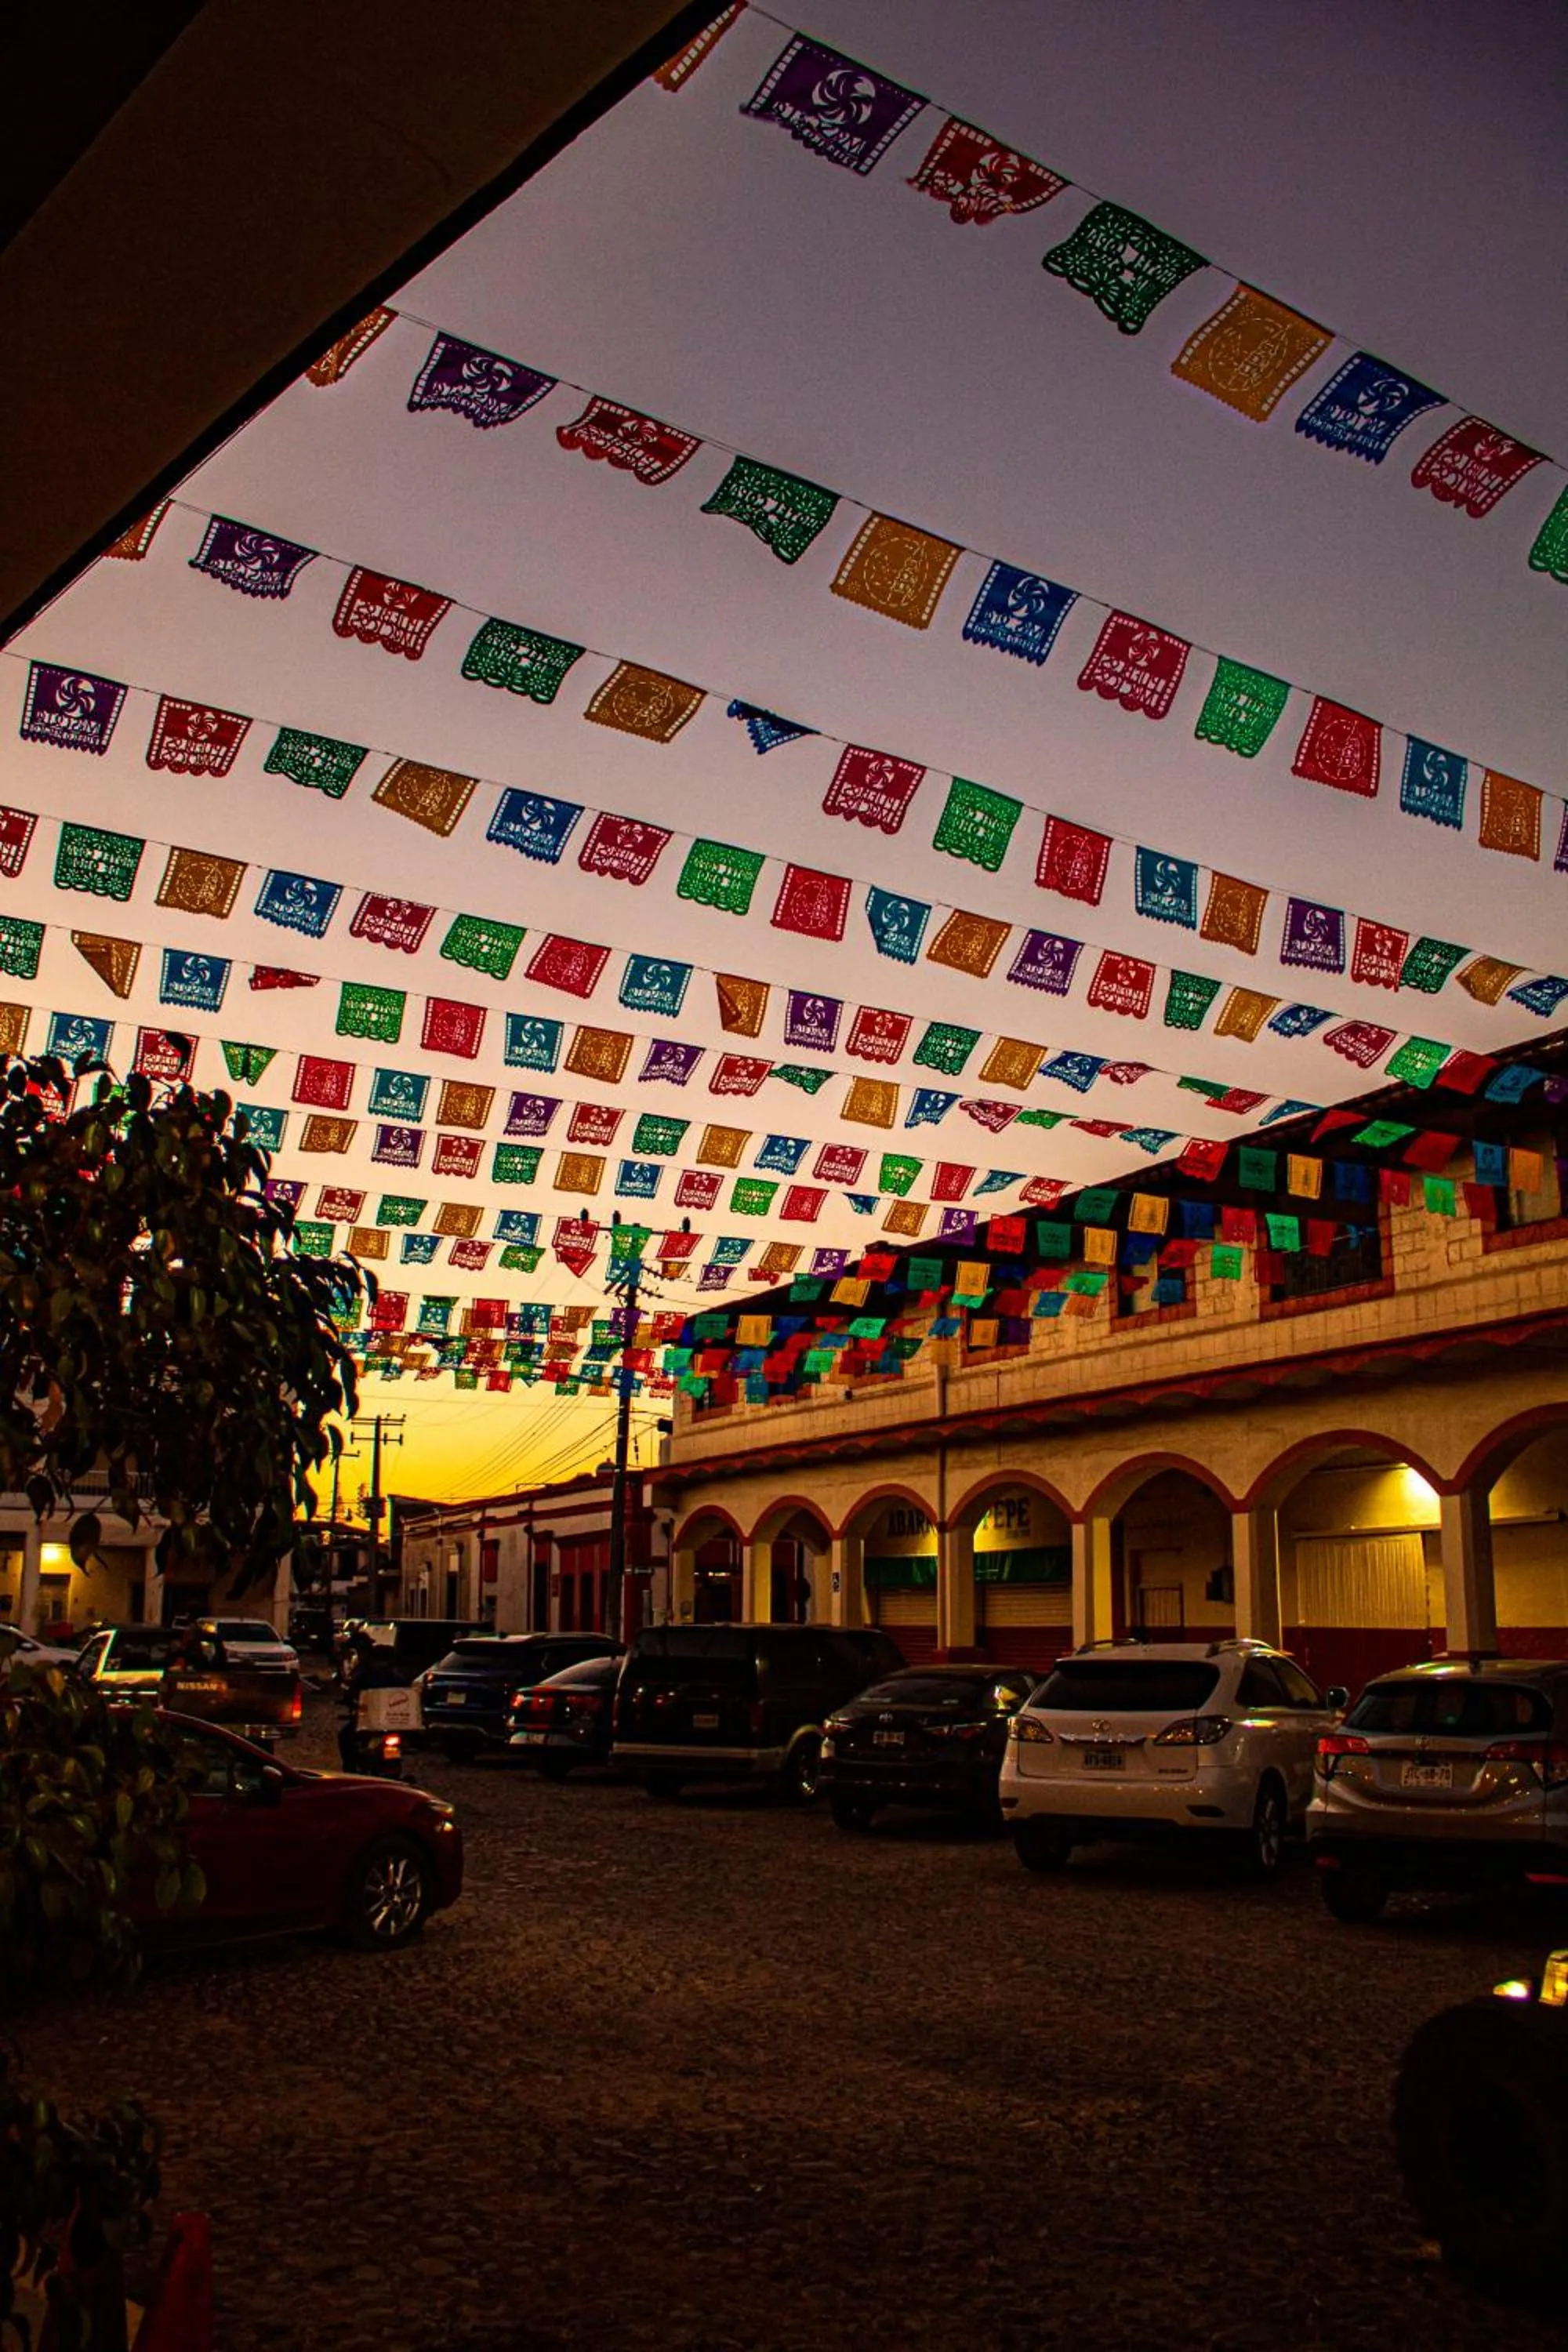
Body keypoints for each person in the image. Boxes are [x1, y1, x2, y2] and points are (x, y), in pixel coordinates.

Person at [337, 1634, 412, 1768]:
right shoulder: (396, 1677)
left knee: (344, 1737)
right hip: (390, 1722)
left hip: (374, 1721)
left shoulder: (365, 1675)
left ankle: (349, 1770)